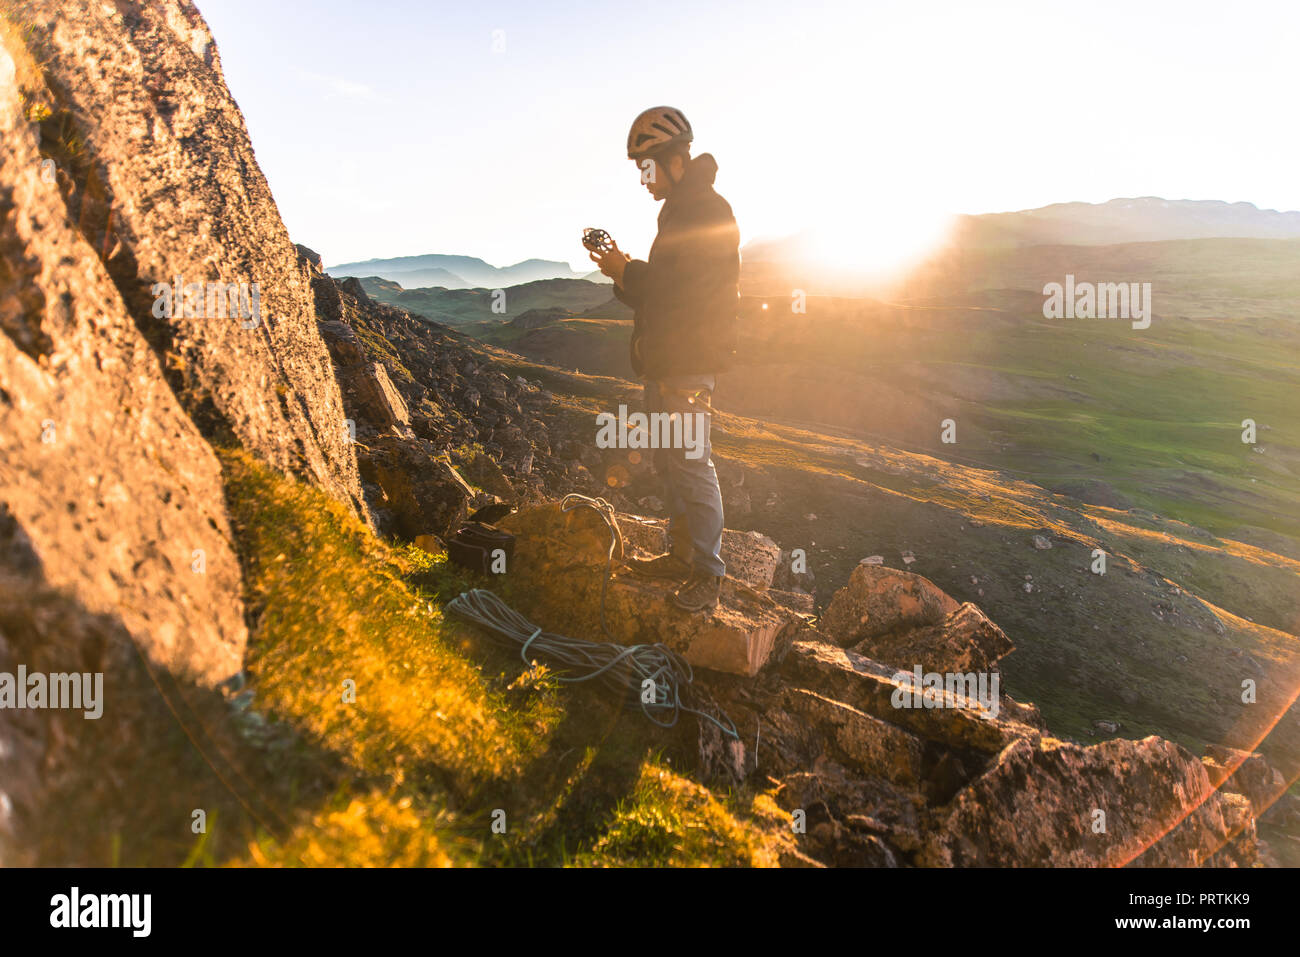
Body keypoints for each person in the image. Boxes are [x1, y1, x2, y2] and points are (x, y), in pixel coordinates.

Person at [588, 106, 739, 612]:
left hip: (688, 364)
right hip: (670, 362)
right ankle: (681, 556)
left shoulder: (705, 211)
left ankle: (707, 573)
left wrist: (627, 271)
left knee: (692, 463)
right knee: (673, 461)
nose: (643, 179)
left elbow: (680, 291)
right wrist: (623, 272)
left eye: (646, 168)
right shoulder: (682, 209)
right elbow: (663, 294)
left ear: (674, 160)